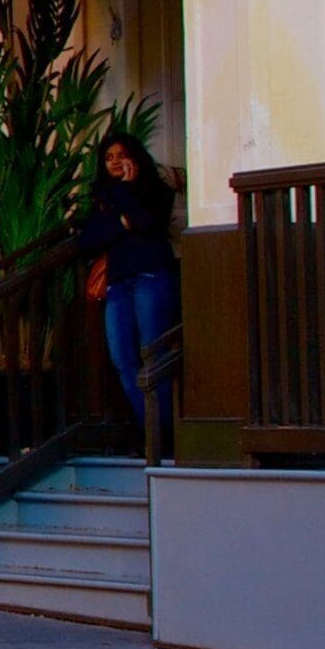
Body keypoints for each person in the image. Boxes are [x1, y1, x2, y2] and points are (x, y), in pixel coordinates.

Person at [76, 133, 180, 444]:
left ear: (135, 156)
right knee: (122, 358)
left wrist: (127, 196)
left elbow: (149, 222)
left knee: (154, 354)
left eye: (121, 155)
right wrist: (122, 221)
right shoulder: (101, 196)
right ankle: (153, 431)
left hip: (152, 277)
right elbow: (88, 239)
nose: (116, 161)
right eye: (109, 158)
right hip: (118, 284)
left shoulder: (155, 189)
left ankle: (165, 436)